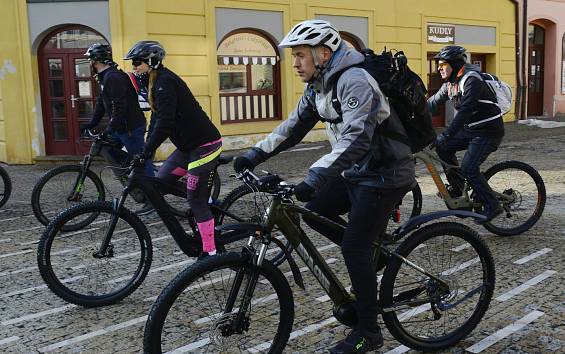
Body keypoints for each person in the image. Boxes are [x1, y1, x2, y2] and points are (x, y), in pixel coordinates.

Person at [232, 20, 415, 353]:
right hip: (356, 172)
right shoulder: (319, 85)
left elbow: (357, 138)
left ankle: (369, 333)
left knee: (353, 249)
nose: (295, 63)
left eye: (300, 55)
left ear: (324, 53)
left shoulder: (355, 81)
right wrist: (253, 154)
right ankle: (374, 253)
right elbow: (294, 127)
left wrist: (313, 177)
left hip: (385, 174)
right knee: (314, 211)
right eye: (294, 56)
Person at [124, 40, 223, 256]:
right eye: (132, 63)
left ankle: (210, 251)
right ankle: (204, 198)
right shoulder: (154, 82)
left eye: (137, 62)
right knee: (161, 183)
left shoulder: (164, 83)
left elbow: (166, 123)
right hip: (187, 147)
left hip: (205, 145)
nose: (134, 67)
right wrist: (144, 150)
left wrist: (147, 153)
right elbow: (156, 121)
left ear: (152, 62)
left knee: (194, 199)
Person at [427, 45, 504, 223]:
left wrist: (447, 134)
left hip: (488, 131)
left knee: (469, 168)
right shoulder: (451, 83)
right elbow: (432, 103)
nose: (438, 67)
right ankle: (457, 187)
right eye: (438, 64)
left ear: (454, 64)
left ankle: (493, 206)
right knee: (443, 147)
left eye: (442, 64)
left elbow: (465, 111)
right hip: (471, 130)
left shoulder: (472, 80)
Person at [80, 43, 154, 214]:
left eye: (90, 60)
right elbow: (102, 102)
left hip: (130, 127)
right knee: (110, 150)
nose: (89, 63)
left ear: (96, 61)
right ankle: (135, 181)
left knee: (141, 161)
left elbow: (120, 106)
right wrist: (92, 123)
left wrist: (110, 128)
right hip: (121, 127)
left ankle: (153, 199)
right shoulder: (104, 76)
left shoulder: (113, 77)